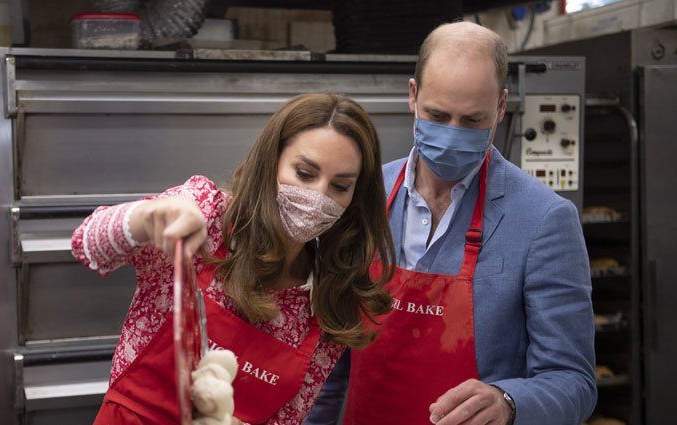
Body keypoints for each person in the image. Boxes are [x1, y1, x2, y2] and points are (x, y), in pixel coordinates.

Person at [304, 22, 597, 425]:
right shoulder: (361, 195)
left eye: (472, 120)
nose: (451, 134)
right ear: (412, 96)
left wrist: (509, 401)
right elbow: (329, 363)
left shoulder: (544, 220)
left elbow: (573, 381)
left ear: (500, 107)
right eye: (437, 115)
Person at [71, 92, 396, 425]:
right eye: (304, 173)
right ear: (271, 161)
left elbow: (289, 416)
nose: (318, 196)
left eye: (340, 186)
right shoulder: (207, 217)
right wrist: (146, 217)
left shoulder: (325, 298)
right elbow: (87, 245)